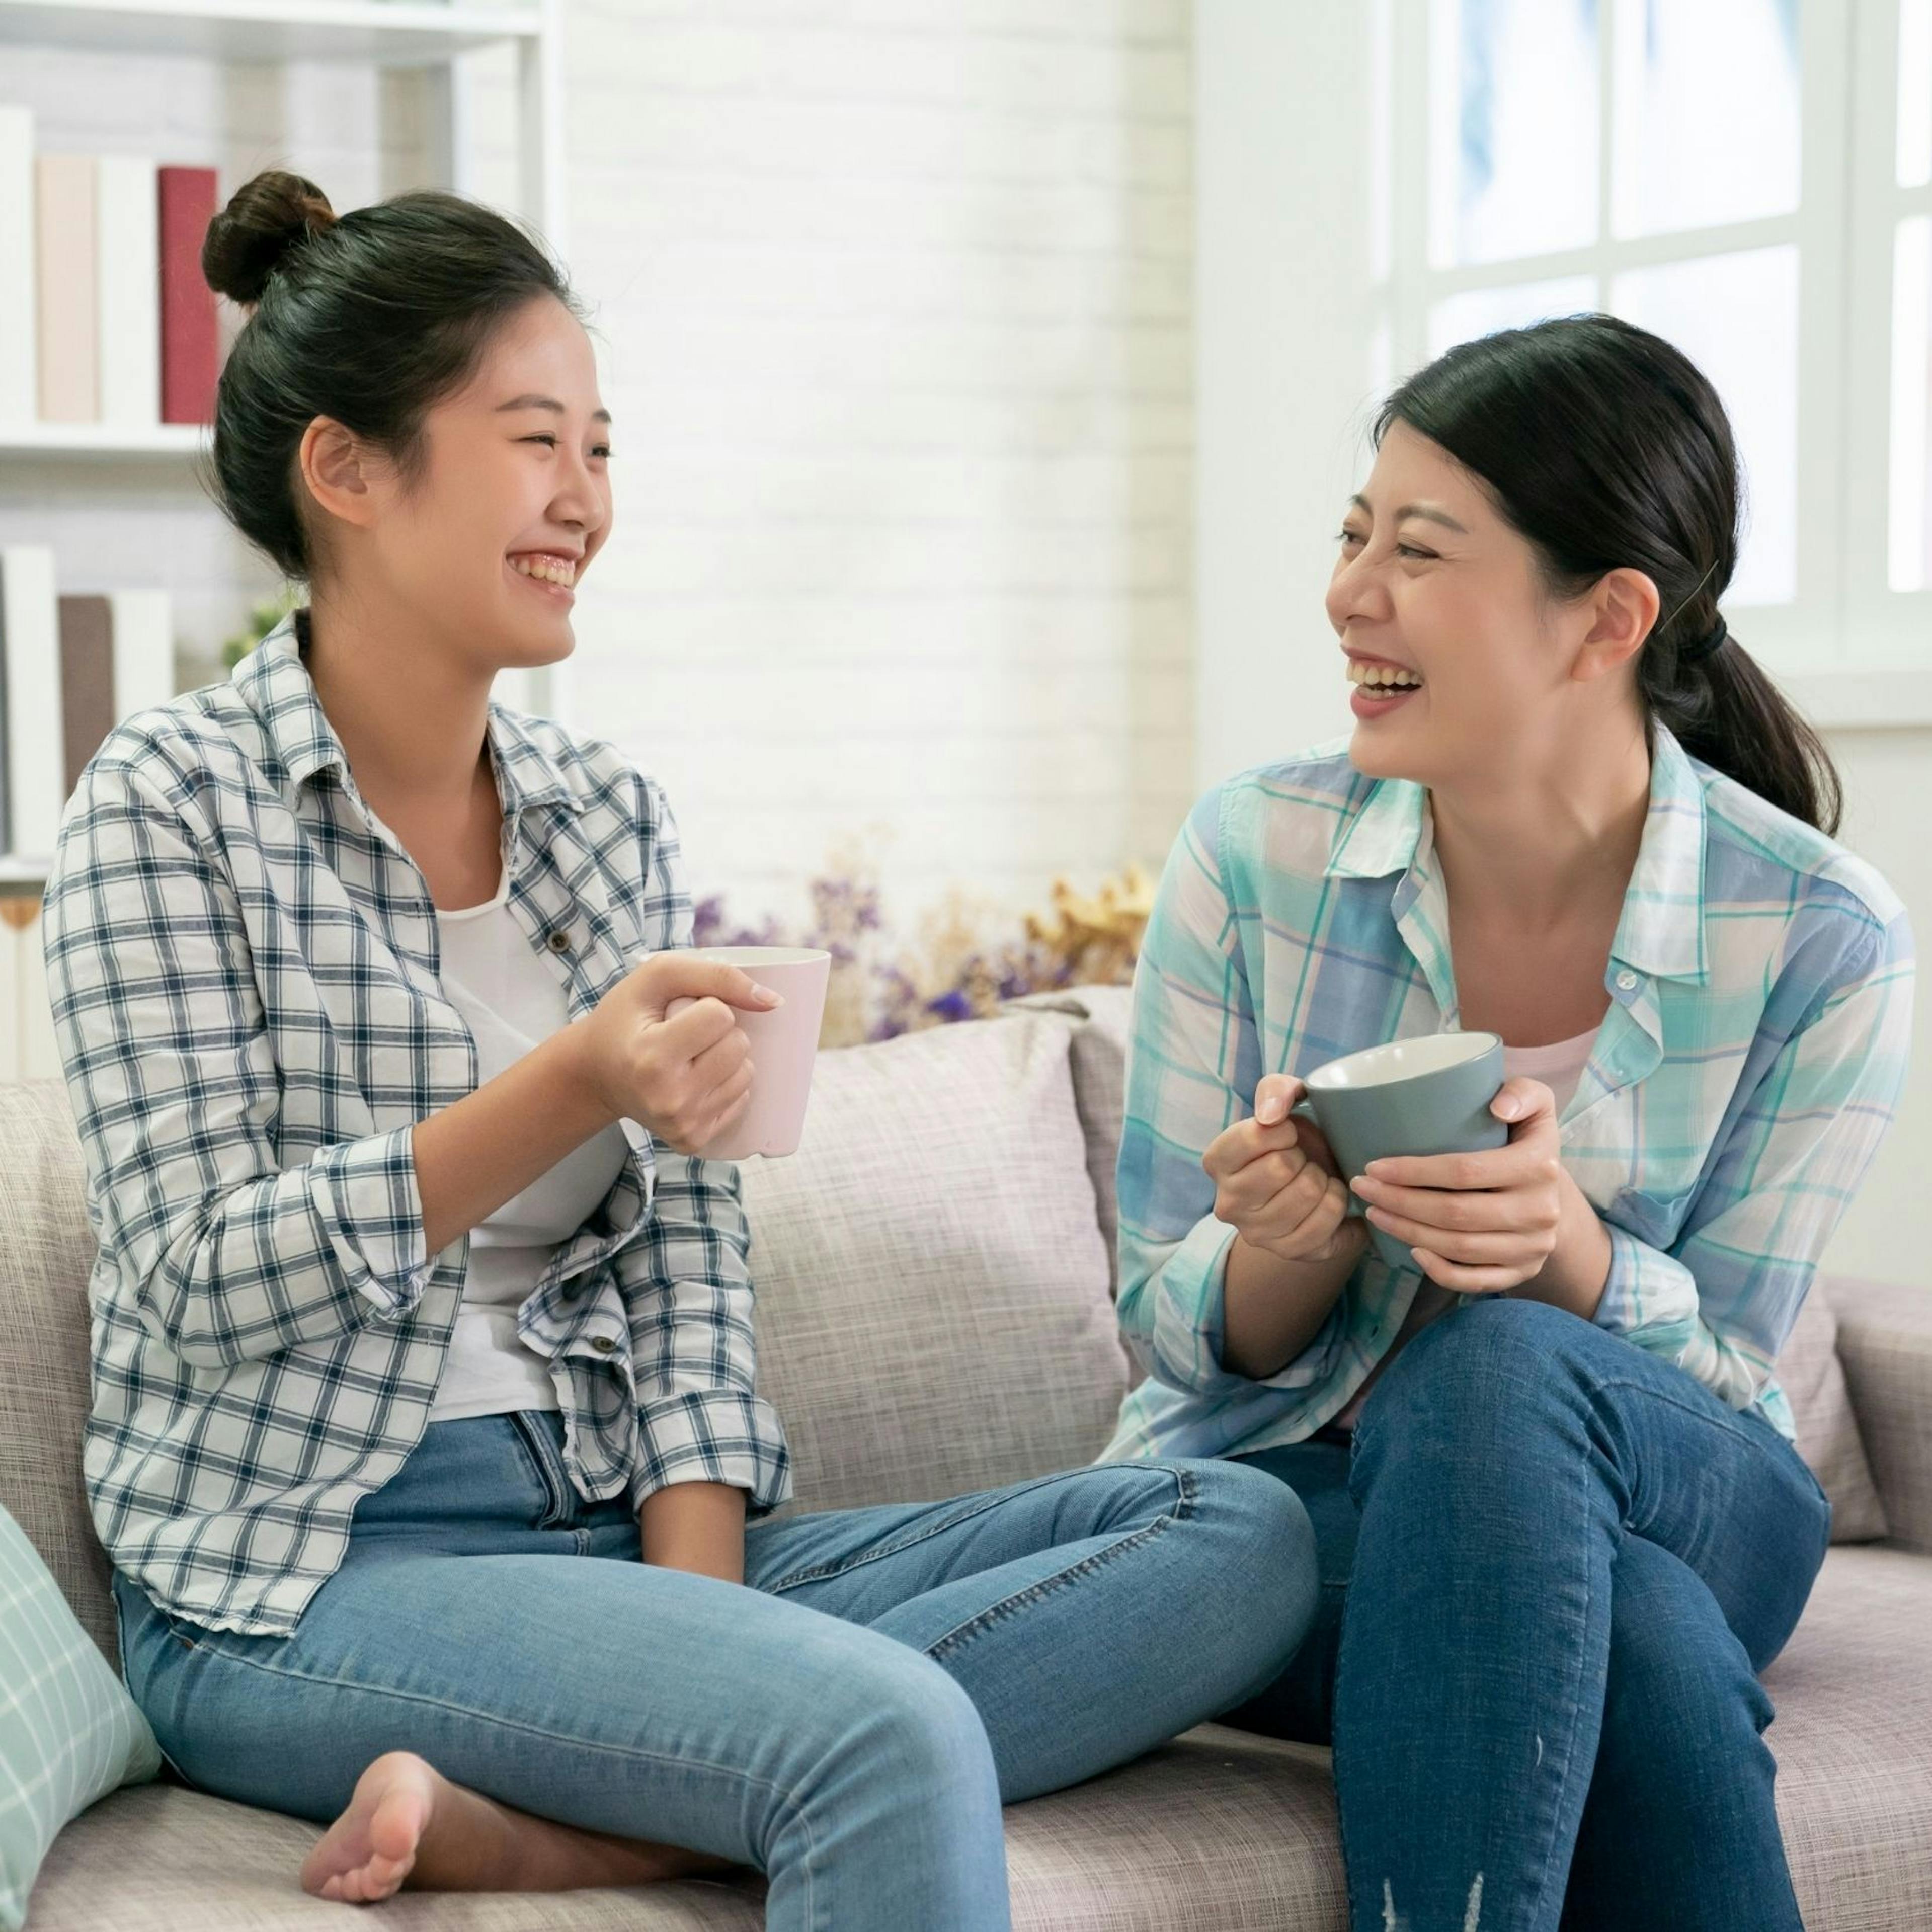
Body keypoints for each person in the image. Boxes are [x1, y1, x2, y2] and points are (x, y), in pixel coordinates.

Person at [43, 171, 1318, 1931]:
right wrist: (571, 1082)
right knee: (882, 1739)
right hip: (312, 1576)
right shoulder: (165, 806)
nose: (585, 500)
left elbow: (690, 1274)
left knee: (1239, 1540)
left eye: (602, 447)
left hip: (606, 1538)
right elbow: (190, 1277)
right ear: (345, 471)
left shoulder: (601, 819)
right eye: (533, 440)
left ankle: (580, 1830)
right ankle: (710, 1775)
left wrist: (702, 1618)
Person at [1103, 315, 1913, 1932]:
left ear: (1605, 618)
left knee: (1502, 1360)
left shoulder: (1818, 933)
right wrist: (1289, 1251)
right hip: (1313, 1499)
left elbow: (1741, 1371)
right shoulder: (1253, 854)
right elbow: (1166, 1331)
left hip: (1699, 1488)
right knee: (1645, 1650)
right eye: (1353, 536)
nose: (1350, 594)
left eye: (1418, 549)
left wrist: (1570, 1261)